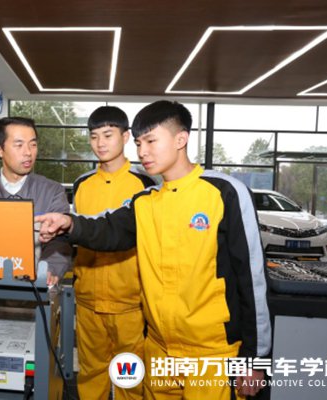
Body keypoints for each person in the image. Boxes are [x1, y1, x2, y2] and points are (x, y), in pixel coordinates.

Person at [36, 101, 271, 399]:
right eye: (138, 143)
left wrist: (255, 360)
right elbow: (108, 229)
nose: (142, 152)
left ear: (180, 139)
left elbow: (252, 281)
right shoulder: (144, 201)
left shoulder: (224, 193)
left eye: (150, 141)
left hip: (212, 351)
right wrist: (69, 223)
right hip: (159, 349)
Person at [73, 106, 155, 400]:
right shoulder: (82, 185)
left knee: (129, 379)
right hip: (88, 301)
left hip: (130, 304)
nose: (100, 143)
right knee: (90, 372)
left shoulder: (145, 185)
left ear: (126, 136)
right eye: (94, 136)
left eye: (108, 135)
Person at [0, 116, 72, 285]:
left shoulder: (52, 192)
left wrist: (50, 269)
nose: (28, 152)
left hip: (35, 290)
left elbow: (60, 241)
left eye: (33, 144)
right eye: (19, 145)